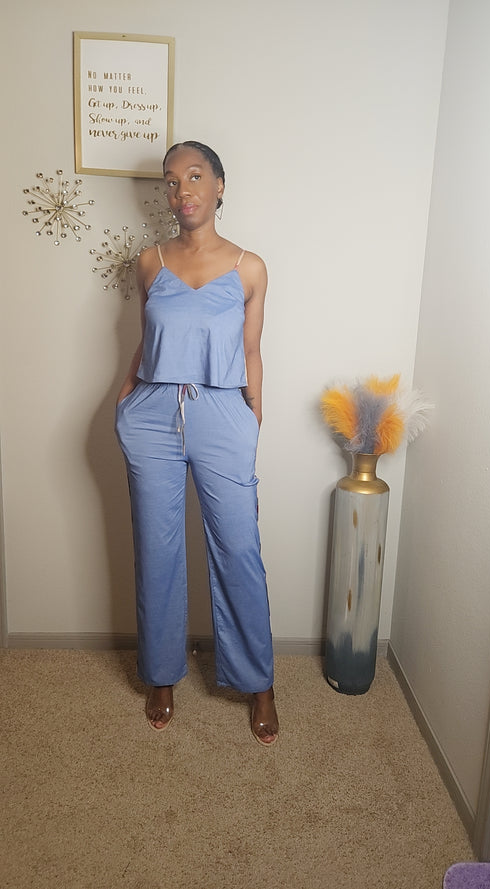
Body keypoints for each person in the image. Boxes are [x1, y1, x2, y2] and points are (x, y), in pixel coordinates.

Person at [115, 140, 278, 746]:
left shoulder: (250, 267)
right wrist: (125, 398)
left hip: (221, 411)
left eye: (194, 176)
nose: (182, 190)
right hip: (153, 413)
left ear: (218, 186)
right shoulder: (149, 262)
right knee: (156, 549)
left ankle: (258, 683)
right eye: (171, 180)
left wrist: (251, 420)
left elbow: (252, 351)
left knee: (239, 548)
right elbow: (149, 339)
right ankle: (161, 675)